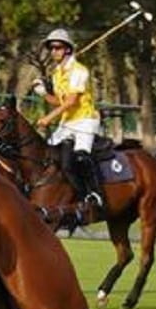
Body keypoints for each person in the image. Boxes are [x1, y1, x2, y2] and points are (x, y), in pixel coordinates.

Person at [32, 28, 104, 217]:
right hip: (68, 122)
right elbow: (60, 101)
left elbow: (72, 101)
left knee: (80, 157)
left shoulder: (80, 71)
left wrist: (49, 118)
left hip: (85, 121)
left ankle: (93, 195)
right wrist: (43, 93)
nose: (54, 51)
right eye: (51, 48)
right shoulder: (57, 74)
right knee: (52, 158)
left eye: (58, 47)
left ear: (67, 49)